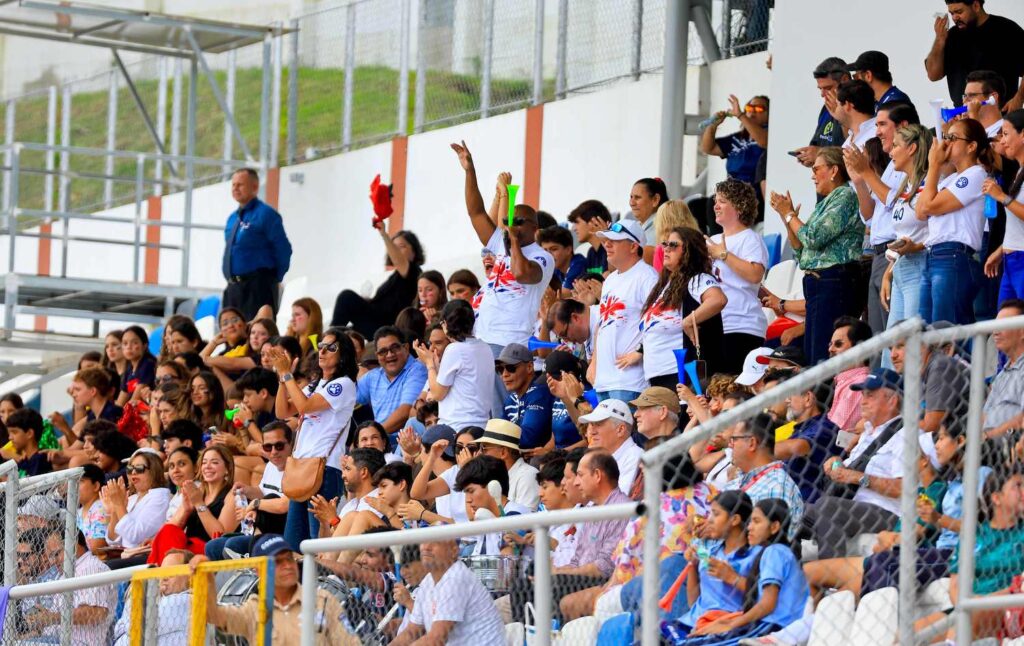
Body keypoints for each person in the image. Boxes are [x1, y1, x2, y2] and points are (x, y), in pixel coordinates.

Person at [450, 142, 555, 372]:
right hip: (481, 338)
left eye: (518, 222)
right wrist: (470, 171)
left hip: (509, 343)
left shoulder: (543, 257)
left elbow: (521, 273)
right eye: (509, 221)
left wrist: (513, 239)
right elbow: (475, 212)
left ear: (535, 228)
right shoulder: (500, 243)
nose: (511, 225)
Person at [770, 147, 864, 364]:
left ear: (834, 171)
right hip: (818, 284)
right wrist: (787, 220)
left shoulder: (845, 196)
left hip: (834, 281)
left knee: (822, 355)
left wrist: (789, 214)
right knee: (813, 355)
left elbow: (813, 238)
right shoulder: (825, 203)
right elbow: (801, 250)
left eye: (816, 169)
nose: (812, 176)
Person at [270, 327, 358, 548]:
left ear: (343, 354)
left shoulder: (344, 384)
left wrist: (288, 374)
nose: (323, 351)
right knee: (294, 543)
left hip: (325, 468)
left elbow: (305, 406)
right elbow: (282, 412)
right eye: (321, 346)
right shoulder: (314, 385)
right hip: (302, 467)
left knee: (318, 541)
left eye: (331, 347)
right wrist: (282, 378)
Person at [805, 368, 905, 559]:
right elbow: (849, 472)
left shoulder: (905, 435)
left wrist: (858, 478)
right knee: (795, 511)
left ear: (892, 400)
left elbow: (904, 489)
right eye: (863, 395)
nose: (863, 401)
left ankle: (831, 573)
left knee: (828, 506)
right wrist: (837, 463)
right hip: (851, 506)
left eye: (870, 395)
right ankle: (801, 570)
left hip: (887, 513)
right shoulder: (867, 433)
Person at [842, 102, 922, 335]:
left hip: (895, 252)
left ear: (903, 125)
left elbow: (893, 201)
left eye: (882, 124)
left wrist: (866, 172)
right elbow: (869, 216)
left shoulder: (909, 166)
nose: (877, 132)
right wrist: (859, 181)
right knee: (879, 335)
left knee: (893, 334)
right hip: (879, 255)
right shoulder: (890, 167)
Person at [195, 534, 360, 645]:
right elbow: (214, 616)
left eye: (289, 559)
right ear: (259, 571)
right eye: (278, 562)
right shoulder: (254, 609)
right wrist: (207, 581)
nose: (287, 566)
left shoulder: (323, 601)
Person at [916, 118, 992, 324]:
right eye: (946, 137)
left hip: (953, 255)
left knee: (947, 328)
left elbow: (929, 207)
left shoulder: (976, 174)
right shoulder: (949, 179)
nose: (946, 142)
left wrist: (934, 165)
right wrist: (934, 169)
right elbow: (920, 212)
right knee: (927, 329)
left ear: (971, 146)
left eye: (953, 137)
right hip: (933, 255)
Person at [659, 490, 759, 642]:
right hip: (692, 622)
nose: (709, 520)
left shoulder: (754, 556)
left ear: (735, 520)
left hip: (723, 628)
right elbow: (693, 601)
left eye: (716, 514)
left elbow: (765, 597)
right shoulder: (710, 551)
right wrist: (692, 565)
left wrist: (732, 577)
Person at [640, 226, 726, 387]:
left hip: (682, 374)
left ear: (689, 251)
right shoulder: (664, 286)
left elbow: (718, 299)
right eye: (665, 244)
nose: (666, 249)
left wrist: (688, 321)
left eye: (673, 245)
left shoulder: (697, 279)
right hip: (657, 376)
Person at [551, 451, 633, 619]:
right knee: (526, 584)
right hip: (581, 577)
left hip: (601, 579)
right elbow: (576, 560)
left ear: (597, 475)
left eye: (580, 475)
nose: (576, 482)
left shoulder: (622, 509)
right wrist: (558, 571)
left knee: (549, 585)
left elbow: (605, 566)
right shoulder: (592, 510)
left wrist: (560, 573)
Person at [389, 536, 505, 646]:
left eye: (435, 543)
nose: (426, 547)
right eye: (424, 542)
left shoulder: (456, 577)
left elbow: (437, 639)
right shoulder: (427, 582)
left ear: (454, 551)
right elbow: (412, 631)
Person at [590, 218, 658, 401]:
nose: (607, 244)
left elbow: (658, 320)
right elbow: (601, 325)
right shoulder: (610, 280)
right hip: (604, 380)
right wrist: (594, 362)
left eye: (615, 240)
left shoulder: (647, 277)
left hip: (629, 381)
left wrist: (640, 352)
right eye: (606, 240)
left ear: (634, 246)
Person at [707, 180, 768, 373]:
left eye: (722, 201)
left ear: (739, 207)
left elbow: (755, 274)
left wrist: (723, 255)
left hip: (742, 325)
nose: (716, 206)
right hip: (714, 327)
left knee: (734, 387)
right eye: (715, 201)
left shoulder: (750, 238)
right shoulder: (712, 240)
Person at [925, 0, 1024, 111]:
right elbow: (933, 75)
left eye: (959, 12)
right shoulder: (951, 36)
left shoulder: (1007, 30)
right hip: (963, 115)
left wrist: (1019, 99)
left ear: (976, 6)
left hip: (1000, 114)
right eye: (951, 13)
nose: (955, 18)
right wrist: (940, 39)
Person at [221, 168, 292, 319]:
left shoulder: (265, 214)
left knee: (258, 330)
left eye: (240, 184)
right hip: (233, 288)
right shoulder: (232, 218)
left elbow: (283, 249)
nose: (235, 188)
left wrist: (273, 279)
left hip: (257, 287)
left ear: (254, 187)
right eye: (233, 185)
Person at [413, 299, 493, 430]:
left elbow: (437, 394)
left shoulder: (454, 349)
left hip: (456, 427)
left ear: (445, 324)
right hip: (482, 425)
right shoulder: (485, 347)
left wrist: (429, 363)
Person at [331, 226, 424, 337]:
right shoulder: (395, 276)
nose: (395, 250)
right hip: (374, 322)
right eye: (393, 247)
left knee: (346, 297)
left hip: (385, 326)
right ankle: (332, 338)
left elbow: (400, 261)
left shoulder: (414, 272)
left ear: (414, 251)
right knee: (347, 331)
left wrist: (384, 234)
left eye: (401, 246)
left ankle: (331, 338)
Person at [725, 412, 805, 537]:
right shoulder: (739, 479)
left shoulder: (776, 487)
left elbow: (762, 542)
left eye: (734, 439)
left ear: (752, 443)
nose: (730, 445)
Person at [983, 110, 1024, 303]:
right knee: (1004, 319)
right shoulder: (1019, 172)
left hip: (1021, 259)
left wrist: (1001, 196)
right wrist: (1001, 250)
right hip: (1010, 259)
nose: (1003, 141)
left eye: (1006, 134)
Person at [357, 326, 427, 435]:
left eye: (395, 348)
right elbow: (345, 400)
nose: (390, 355)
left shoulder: (417, 369)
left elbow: (406, 411)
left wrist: (373, 435)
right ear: (377, 356)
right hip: (380, 439)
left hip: (405, 439)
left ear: (406, 348)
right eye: (383, 351)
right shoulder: (373, 376)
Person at [778, 380, 839, 503]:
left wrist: (762, 449)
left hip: (809, 505)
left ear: (808, 398)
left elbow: (799, 447)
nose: (786, 400)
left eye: (790, 395)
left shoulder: (825, 426)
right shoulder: (799, 430)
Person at [103, 449, 172, 554]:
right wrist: (114, 511)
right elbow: (113, 541)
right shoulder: (132, 498)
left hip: (145, 557)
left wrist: (119, 505)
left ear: (154, 471)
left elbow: (134, 535)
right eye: (130, 469)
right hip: (127, 556)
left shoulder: (160, 497)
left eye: (139, 468)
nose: (133, 472)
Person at [700, 95, 769, 191]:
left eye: (759, 109)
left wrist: (740, 115)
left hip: (753, 194)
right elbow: (708, 148)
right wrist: (713, 125)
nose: (752, 111)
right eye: (749, 108)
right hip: (731, 192)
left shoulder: (770, 134)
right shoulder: (738, 137)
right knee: (695, 200)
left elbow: (763, 141)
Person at [578, 399, 645, 498]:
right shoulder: (597, 458)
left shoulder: (635, 457)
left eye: (598, 424)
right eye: (591, 424)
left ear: (620, 430)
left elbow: (617, 501)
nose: (592, 432)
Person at [496, 343, 554, 455]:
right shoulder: (510, 400)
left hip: (540, 459)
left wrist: (499, 436)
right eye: (500, 369)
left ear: (529, 367)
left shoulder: (539, 394)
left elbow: (528, 438)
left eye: (511, 368)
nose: (504, 374)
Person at [474, 418, 540, 511]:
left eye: (484, 448)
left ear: (503, 452)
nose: (479, 454)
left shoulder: (528, 475)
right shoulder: (493, 477)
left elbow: (524, 518)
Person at [795, 57, 850, 166]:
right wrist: (809, 156)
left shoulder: (861, 107)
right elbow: (817, 143)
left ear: (845, 80)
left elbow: (856, 152)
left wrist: (820, 153)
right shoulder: (826, 109)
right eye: (820, 89)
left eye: (828, 88)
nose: (822, 94)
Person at [826, 316, 873, 431]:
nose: (830, 349)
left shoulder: (859, 383)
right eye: (830, 344)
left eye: (838, 344)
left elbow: (833, 432)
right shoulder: (845, 381)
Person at [536, 225, 586, 297]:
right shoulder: (556, 268)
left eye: (554, 249)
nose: (548, 255)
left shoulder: (578, 264)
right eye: (545, 250)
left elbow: (563, 294)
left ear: (568, 250)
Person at [568, 199, 612, 274]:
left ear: (593, 222)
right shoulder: (591, 252)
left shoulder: (610, 250)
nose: (574, 228)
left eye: (577, 222)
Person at [116, 325, 157, 406]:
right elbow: (120, 402)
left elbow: (134, 401)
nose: (129, 347)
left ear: (144, 345)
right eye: (125, 343)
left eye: (134, 343)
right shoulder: (129, 370)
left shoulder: (148, 364)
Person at [6, 408, 52, 477]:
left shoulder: (41, 460)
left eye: (14, 432)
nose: (10, 437)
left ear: (29, 433)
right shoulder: (25, 462)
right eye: (9, 433)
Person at [627, 177, 670, 249]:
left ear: (655, 200)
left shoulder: (660, 229)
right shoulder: (638, 226)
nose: (631, 203)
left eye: (637, 197)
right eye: (631, 197)